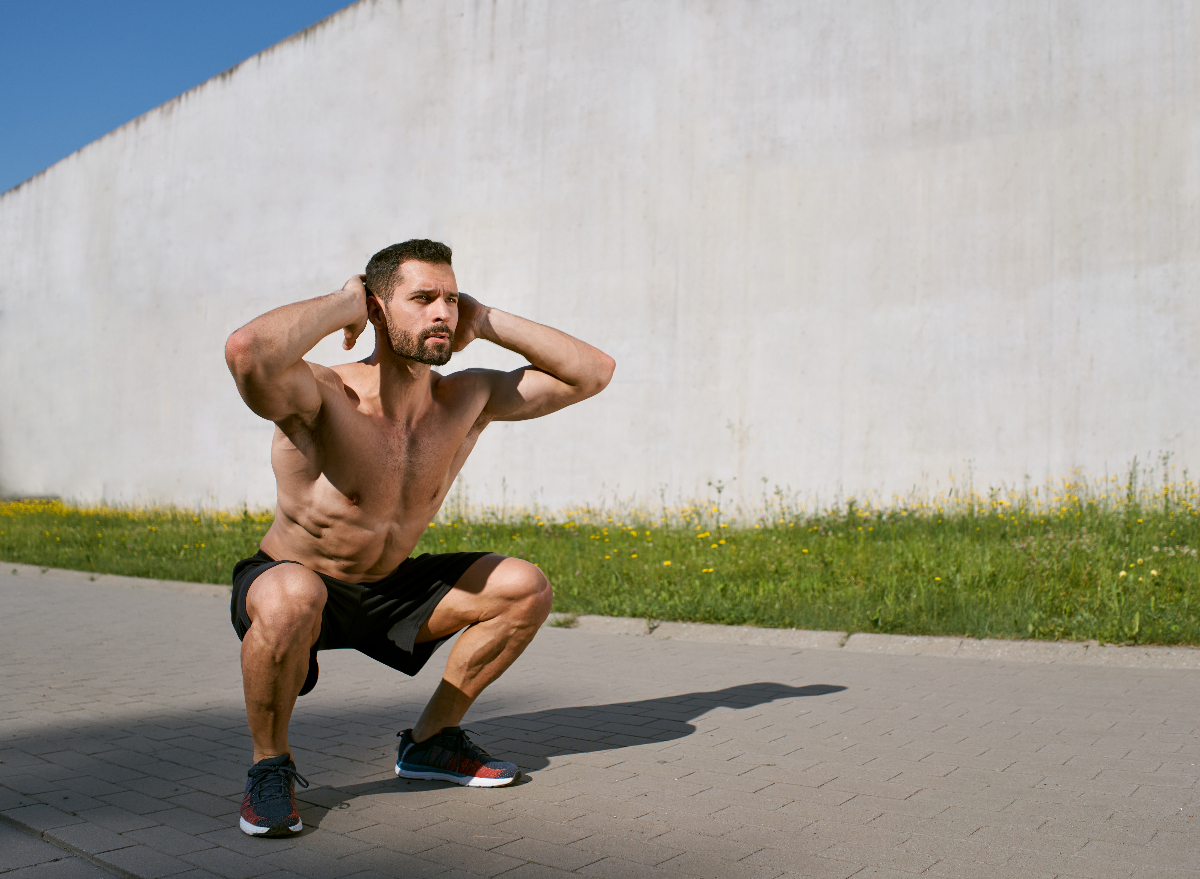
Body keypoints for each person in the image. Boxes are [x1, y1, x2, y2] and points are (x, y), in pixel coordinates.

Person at [223, 239, 615, 836]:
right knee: (292, 595)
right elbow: (248, 353)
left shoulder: (467, 397)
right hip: (295, 582)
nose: (443, 314)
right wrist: (342, 302)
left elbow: (593, 372)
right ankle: (269, 766)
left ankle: (431, 743)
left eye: (452, 300)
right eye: (424, 298)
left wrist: (486, 321)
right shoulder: (325, 392)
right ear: (379, 309)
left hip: (388, 587)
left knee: (523, 588)